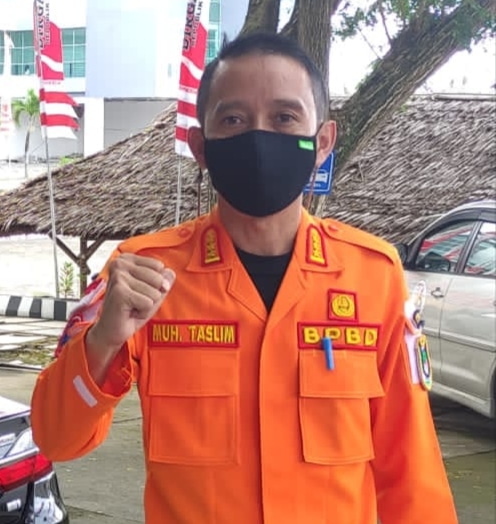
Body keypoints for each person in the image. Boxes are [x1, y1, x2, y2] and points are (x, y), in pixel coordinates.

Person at [30, 32, 458, 524]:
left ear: (322, 143)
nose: (259, 139)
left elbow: (412, 473)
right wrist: (102, 342)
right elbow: (55, 437)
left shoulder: (373, 276)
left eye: (284, 117)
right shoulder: (143, 274)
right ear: (201, 147)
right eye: (233, 120)